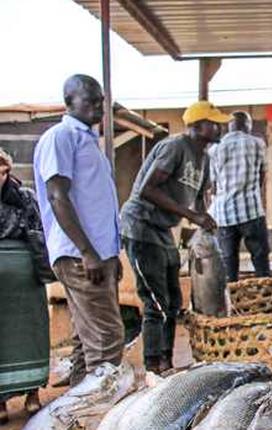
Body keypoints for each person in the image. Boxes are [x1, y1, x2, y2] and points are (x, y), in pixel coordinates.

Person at [120, 101, 227, 373]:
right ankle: (153, 365)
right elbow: (148, 190)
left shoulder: (205, 157)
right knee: (156, 301)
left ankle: (166, 359)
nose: (219, 127)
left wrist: (205, 218)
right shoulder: (175, 147)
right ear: (197, 126)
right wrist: (192, 217)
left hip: (164, 230)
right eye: (214, 122)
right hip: (141, 226)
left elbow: (201, 198)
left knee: (174, 301)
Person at [32, 75, 125, 386]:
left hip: (97, 254)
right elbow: (57, 195)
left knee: (87, 344)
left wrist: (109, 256)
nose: (99, 108)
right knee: (107, 340)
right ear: (69, 102)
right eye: (91, 102)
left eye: (101, 102)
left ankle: (77, 412)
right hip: (79, 254)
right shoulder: (60, 137)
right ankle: (99, 411)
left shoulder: (88, 141)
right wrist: (88, 252)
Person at [0, 150, 46, 423]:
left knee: (32, 331)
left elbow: (38, 232)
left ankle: (32, 395)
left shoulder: (25, 197)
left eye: (2, 172)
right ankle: (3, 401)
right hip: (17, 272)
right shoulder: (26, 197)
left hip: (25, 275)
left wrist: (42, 270)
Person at [208, 111, 271, 281]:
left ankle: (232, 302)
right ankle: (265, 302)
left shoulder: (214, 149)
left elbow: (213, 186)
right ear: (247, 126)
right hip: (251, 211)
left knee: (228, 264)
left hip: (224, 215)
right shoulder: (257, 143)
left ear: (230, 126)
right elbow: (262, 177)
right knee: (260, 260)